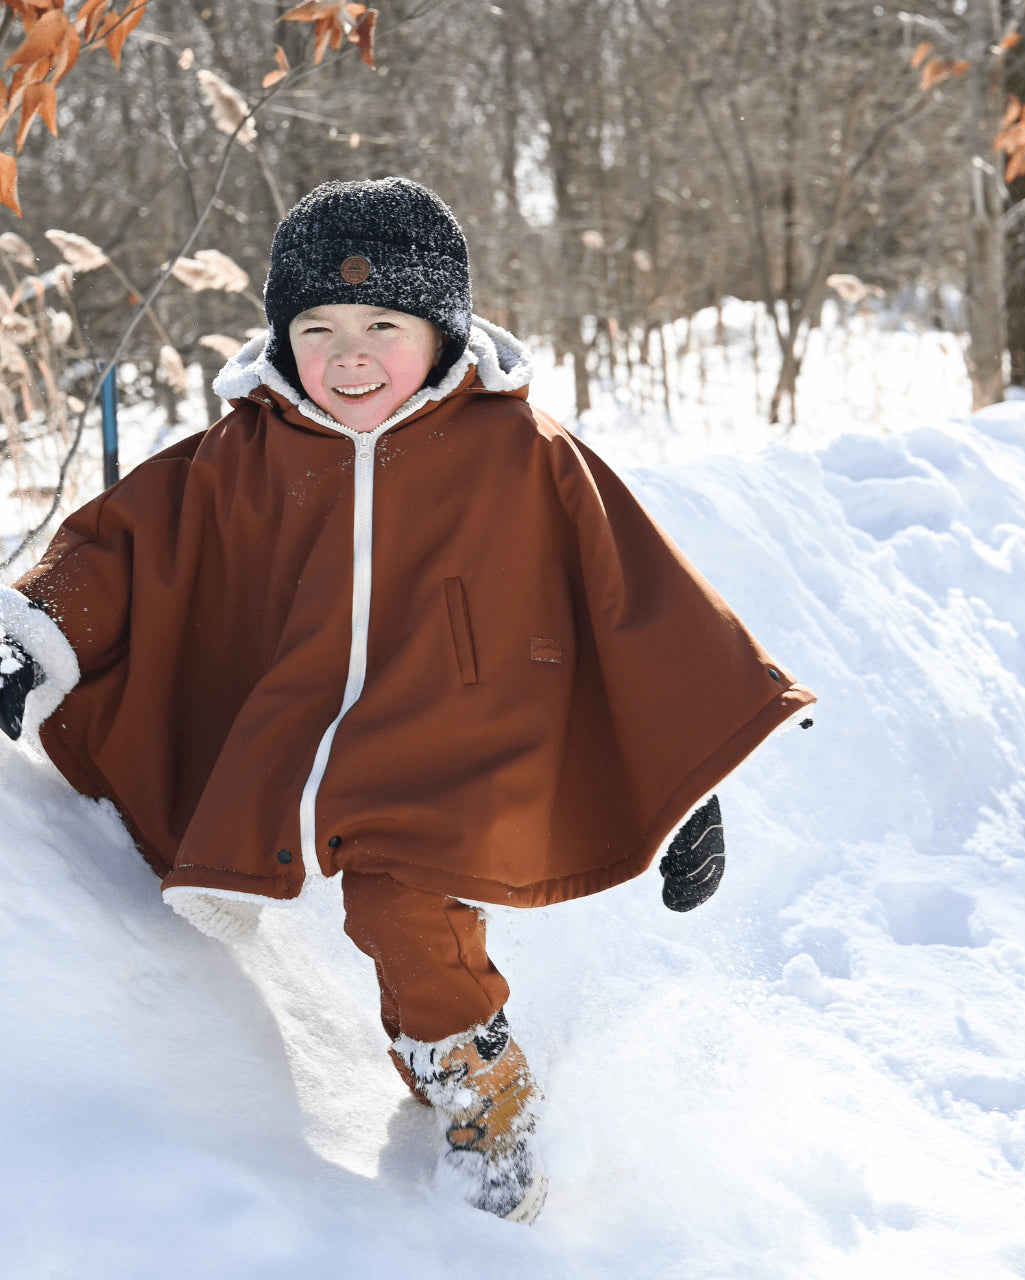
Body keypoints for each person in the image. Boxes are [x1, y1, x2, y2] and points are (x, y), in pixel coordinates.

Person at [0, 178, 815, 1224]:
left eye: (382, 325)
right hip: (317, 748)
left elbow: (639, 605)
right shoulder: (244, 455)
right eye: (317, 328)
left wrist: (687, 782)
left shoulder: (522, 454)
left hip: (466, 743)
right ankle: (435, 1052)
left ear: (441, 331)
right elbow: (120, 550)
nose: (349, 356)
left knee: (399, 904)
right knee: (394, 925)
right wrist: (28, 638)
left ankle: (487, 1089)